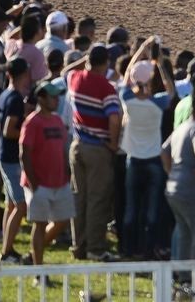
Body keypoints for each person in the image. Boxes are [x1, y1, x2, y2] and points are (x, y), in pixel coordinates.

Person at [69, 44, 121, 262]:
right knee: (97, 200)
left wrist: (84, 59)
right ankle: (96, 248)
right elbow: (115, 118)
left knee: (79, 198)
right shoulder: (106, 88)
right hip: (97, 148)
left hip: (77, 145)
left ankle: (79, 245)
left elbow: (67, 70)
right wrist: (113, 143)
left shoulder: (74, 77)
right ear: (106, 63)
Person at [119, 49, 168, 259]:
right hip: (153, 161)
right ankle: (149, 248)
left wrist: (139, 53)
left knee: (131, 208)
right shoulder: (158, 104)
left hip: (134, 160)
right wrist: (161, 66)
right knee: (152, 209)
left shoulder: (128, 100)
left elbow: (127, 77)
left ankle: (129, 248)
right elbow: (169, 89)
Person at [19, 79, 72, 269]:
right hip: (39, 184)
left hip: (59, 182)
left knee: (62, 220)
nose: (57, 100)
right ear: (41, 98)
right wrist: (34, 184)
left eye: (58, 96)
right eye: (52, 97)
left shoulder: (58, 120)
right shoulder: (32, 122)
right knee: (39, 224)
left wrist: (66, 175)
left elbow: (63, 149)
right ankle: (38, 269)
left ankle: (34, 253)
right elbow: (24, 153)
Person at [162, 96, 195, 285]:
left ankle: (182, 274)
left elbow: (163, 151)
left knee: (183, 231)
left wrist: (171, 170)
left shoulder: (181, 127)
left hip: (173, 185)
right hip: (187, 189)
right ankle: (193, 276)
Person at [0, 57, 32, 264]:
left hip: (3, 154)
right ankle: (6, 251)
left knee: (11, 204)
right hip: (11, 157)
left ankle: (6, 247)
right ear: (24, 74)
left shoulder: (5, 95)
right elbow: (10, 129)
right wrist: (27, 133)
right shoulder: (15, 98)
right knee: (20, 205)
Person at [5, 14, 48, 82]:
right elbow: (39, 80)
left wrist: (24, 25)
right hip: (25, 91)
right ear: (37, 32)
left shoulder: (11, 44)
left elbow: (11, 37)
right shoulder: (36, 54)